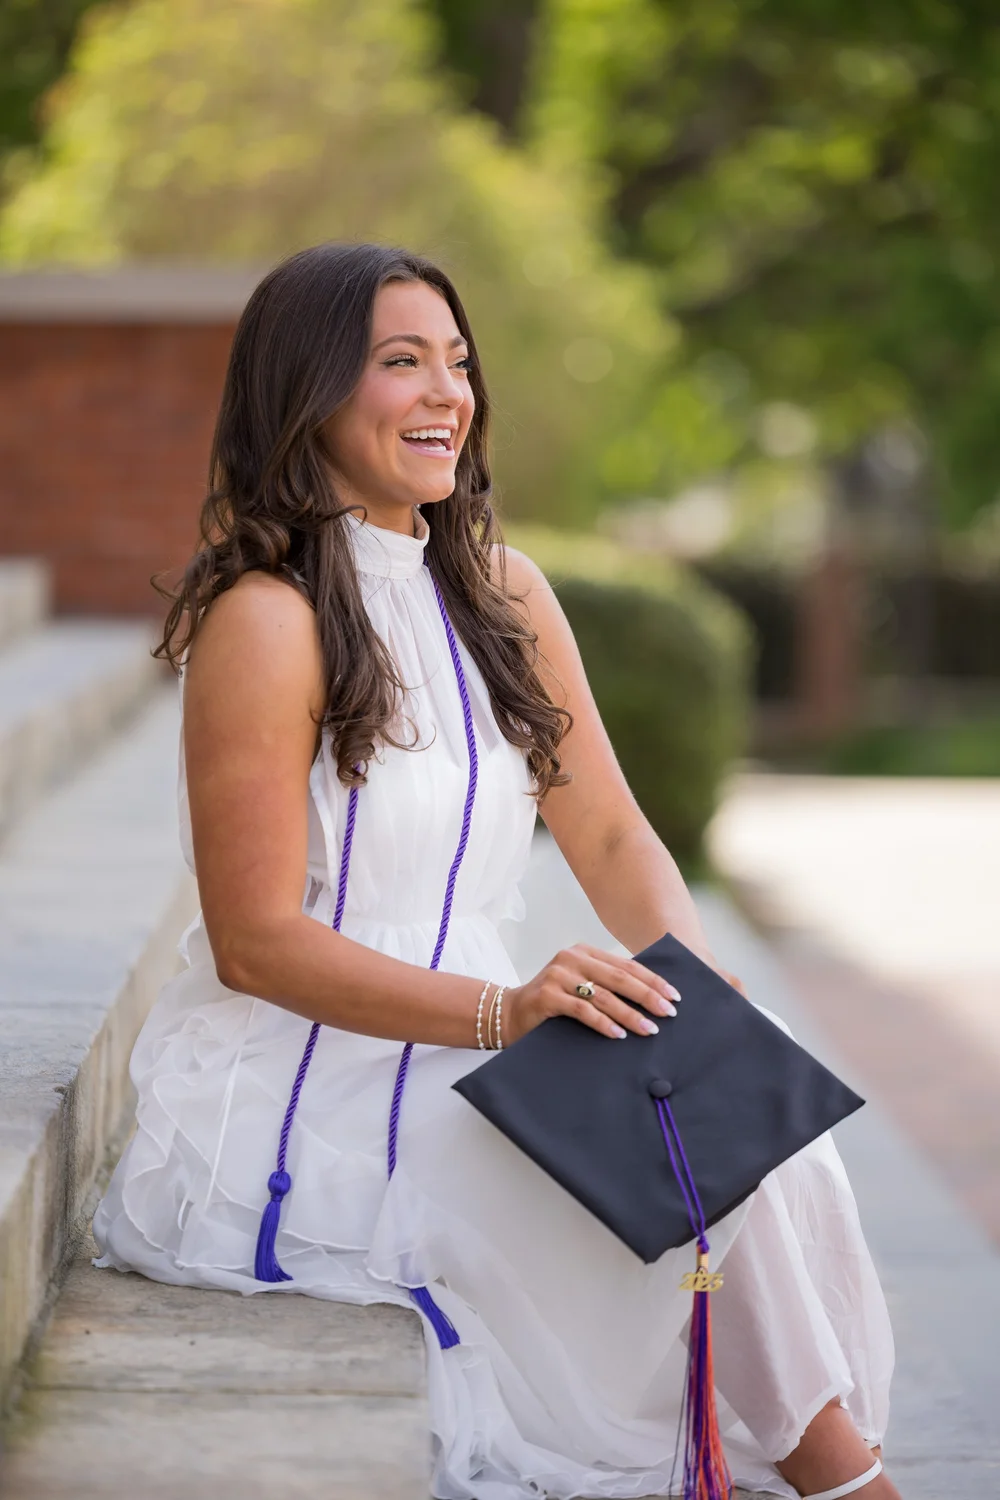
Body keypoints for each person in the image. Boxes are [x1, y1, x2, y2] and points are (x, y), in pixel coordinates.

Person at [93, 242, 898, 1500]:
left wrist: (692, 993)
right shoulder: (269, 620)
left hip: (493, 1044)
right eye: (400, 363)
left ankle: (836, 1478)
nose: (445, 396)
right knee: (697, 1192)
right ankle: (852, 1487)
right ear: (305, 394)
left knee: (755, 1136)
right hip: (319, 1083)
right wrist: (503, 1012)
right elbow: (253, 943)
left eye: (456, 363)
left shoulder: (503, 592)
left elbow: (619, 839)